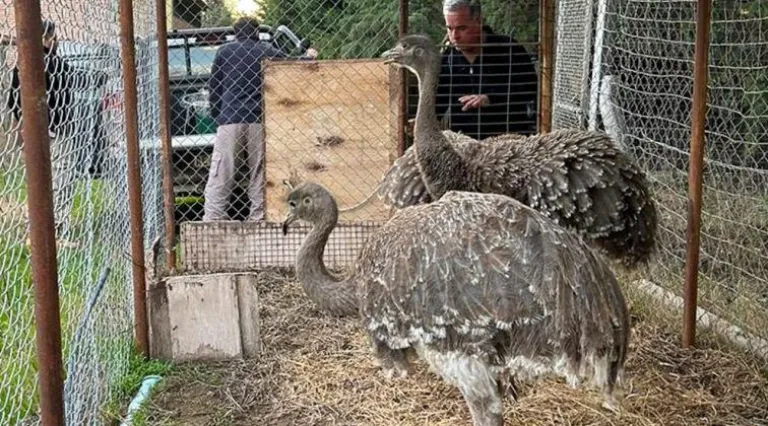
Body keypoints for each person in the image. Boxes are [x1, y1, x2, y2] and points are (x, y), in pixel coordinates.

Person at [203, 17, 318, 221]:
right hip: (259, 119)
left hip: (230, 119)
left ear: (235, 33)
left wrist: (218, 116)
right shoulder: (265, 50)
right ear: (256, 32)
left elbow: (215, 89)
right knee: (259, 171)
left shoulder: (225, 52)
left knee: (223, 169)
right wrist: (308, 57)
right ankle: (258, 216)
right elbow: (291, 64)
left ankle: (214, 216)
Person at [7, 19, 77, 243]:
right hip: (57, 130)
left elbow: (12, 100)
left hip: (37, 131)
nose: (56, 40)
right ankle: (52, 234)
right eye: (52, 36)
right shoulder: (51, 62)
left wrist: (25, 123)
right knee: (60, 181)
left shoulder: (23, 64)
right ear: (45, 38)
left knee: (39, 181)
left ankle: (38, 232)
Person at [435, 0, 539, 140]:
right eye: (449, 28)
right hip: (465, 145)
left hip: (509, 143)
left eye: (462, 28)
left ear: (478, 20)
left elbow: (531, 89)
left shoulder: (509, 49)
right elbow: (439, 101)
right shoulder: (447, 58)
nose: (454, 36)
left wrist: (490, 98)